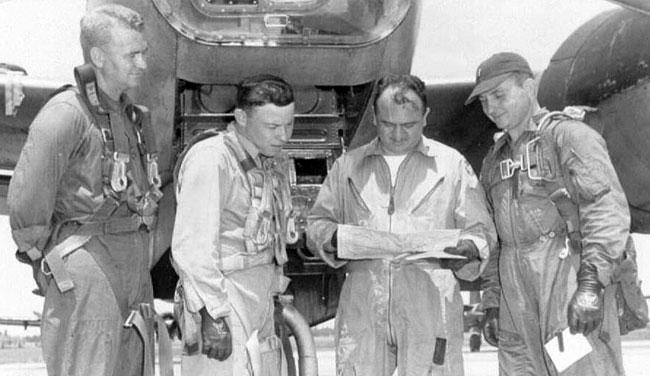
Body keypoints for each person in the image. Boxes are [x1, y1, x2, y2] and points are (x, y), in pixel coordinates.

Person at [8, 5, 169, 376]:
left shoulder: (134, 120)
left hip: (132, 267)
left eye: (143, 52)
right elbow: (27, 201)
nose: (142, 64)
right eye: (133, 54)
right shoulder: (67, 113)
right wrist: (45, 260)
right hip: (87, 267)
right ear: (98, 56)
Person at [307, 74, 497, 375]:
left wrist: (470, 247)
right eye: (387, 124)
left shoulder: (451, 165)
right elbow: (317, 222)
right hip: (364, 301)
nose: (397, 134)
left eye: (408, 125)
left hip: (430, 302)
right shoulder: (348, 166)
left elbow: (481, 230)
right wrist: (331, 239)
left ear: (425, 117)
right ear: (374, 117)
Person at [468, 52, 630, 375]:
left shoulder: (568, 137)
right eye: (485, 101)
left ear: (529, 88)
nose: (491, 108)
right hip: (516, 301)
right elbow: (495, 238)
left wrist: (590, 283)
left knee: (579, 370)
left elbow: (606, 210)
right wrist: (492, 301)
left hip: (565, 286)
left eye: (499, 95)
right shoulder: (493, 162)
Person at [172, 74, 296, 376]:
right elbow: (192, 247)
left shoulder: (268, 162)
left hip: (259, 295)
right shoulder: (212, 158)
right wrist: (213, 314)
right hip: (225, 298)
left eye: (288, 124)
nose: (283, 135)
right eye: (272, 126)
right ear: (240, 117)